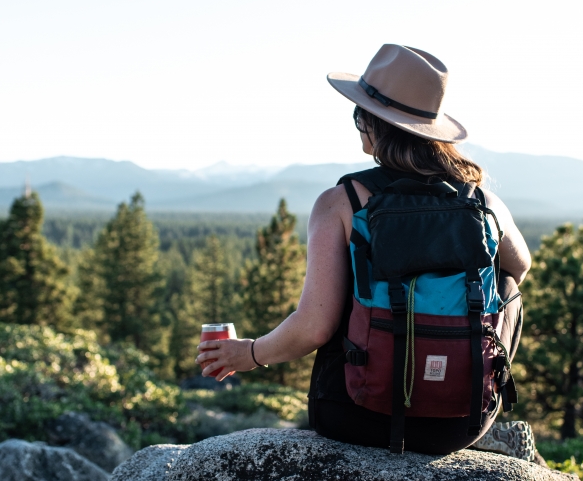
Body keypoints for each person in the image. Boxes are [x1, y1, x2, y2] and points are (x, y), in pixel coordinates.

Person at [197, 44, 531, 456]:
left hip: (356, 418)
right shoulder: (482, 202)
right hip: (461, 425)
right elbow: (521, 267)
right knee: (507, 281)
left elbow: (314, 326)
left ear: (372, 122)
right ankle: (475, 382)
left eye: (359, 115)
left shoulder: (343, 202)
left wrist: (248, 353)